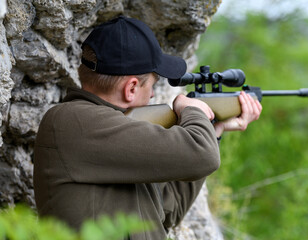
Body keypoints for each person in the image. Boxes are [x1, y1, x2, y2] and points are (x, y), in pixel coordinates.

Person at [33, 16, 262, 240]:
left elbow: (171, 207)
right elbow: (204, 155)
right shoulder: (73, 121)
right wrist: (191, 109)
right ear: (131, 88)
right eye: (152, 85)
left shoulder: (115, 140)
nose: (153, 94)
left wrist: (215, 129)